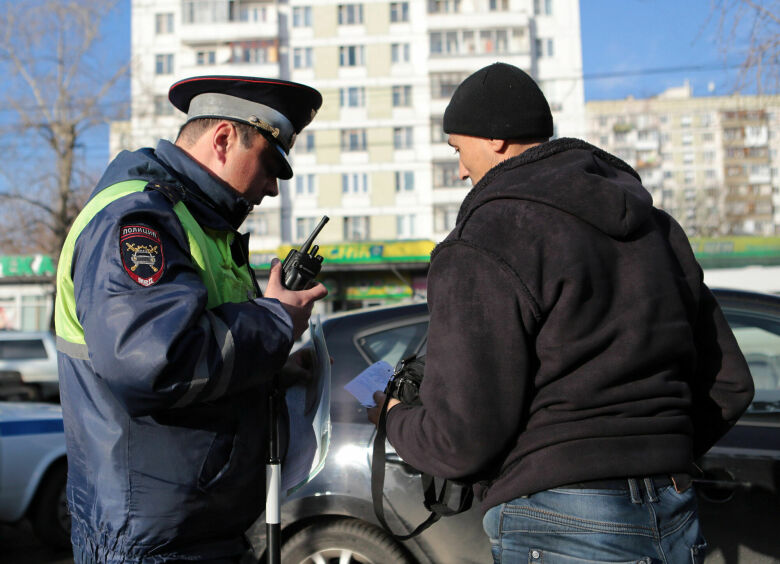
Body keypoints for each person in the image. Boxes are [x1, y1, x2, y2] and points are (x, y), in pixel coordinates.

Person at [368, 62, 755, 563]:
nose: (461, 169)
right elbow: (730, 385)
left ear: (496, 140)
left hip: (558, 520)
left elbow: (460, 440)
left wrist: (393, 417)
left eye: (457, 150)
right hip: (673, 509)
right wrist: (656, 452)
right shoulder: (657, 230)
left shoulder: (486, 238)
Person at [54, 75, 327, 563]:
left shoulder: (204, 225)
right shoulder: (138, 218)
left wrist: (276, 367)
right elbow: (155, 362)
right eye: (269, 164)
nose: (271, 188)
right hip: (151, 544)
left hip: (196, 530)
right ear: (223, 139)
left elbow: (206, 353)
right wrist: (276, 322)